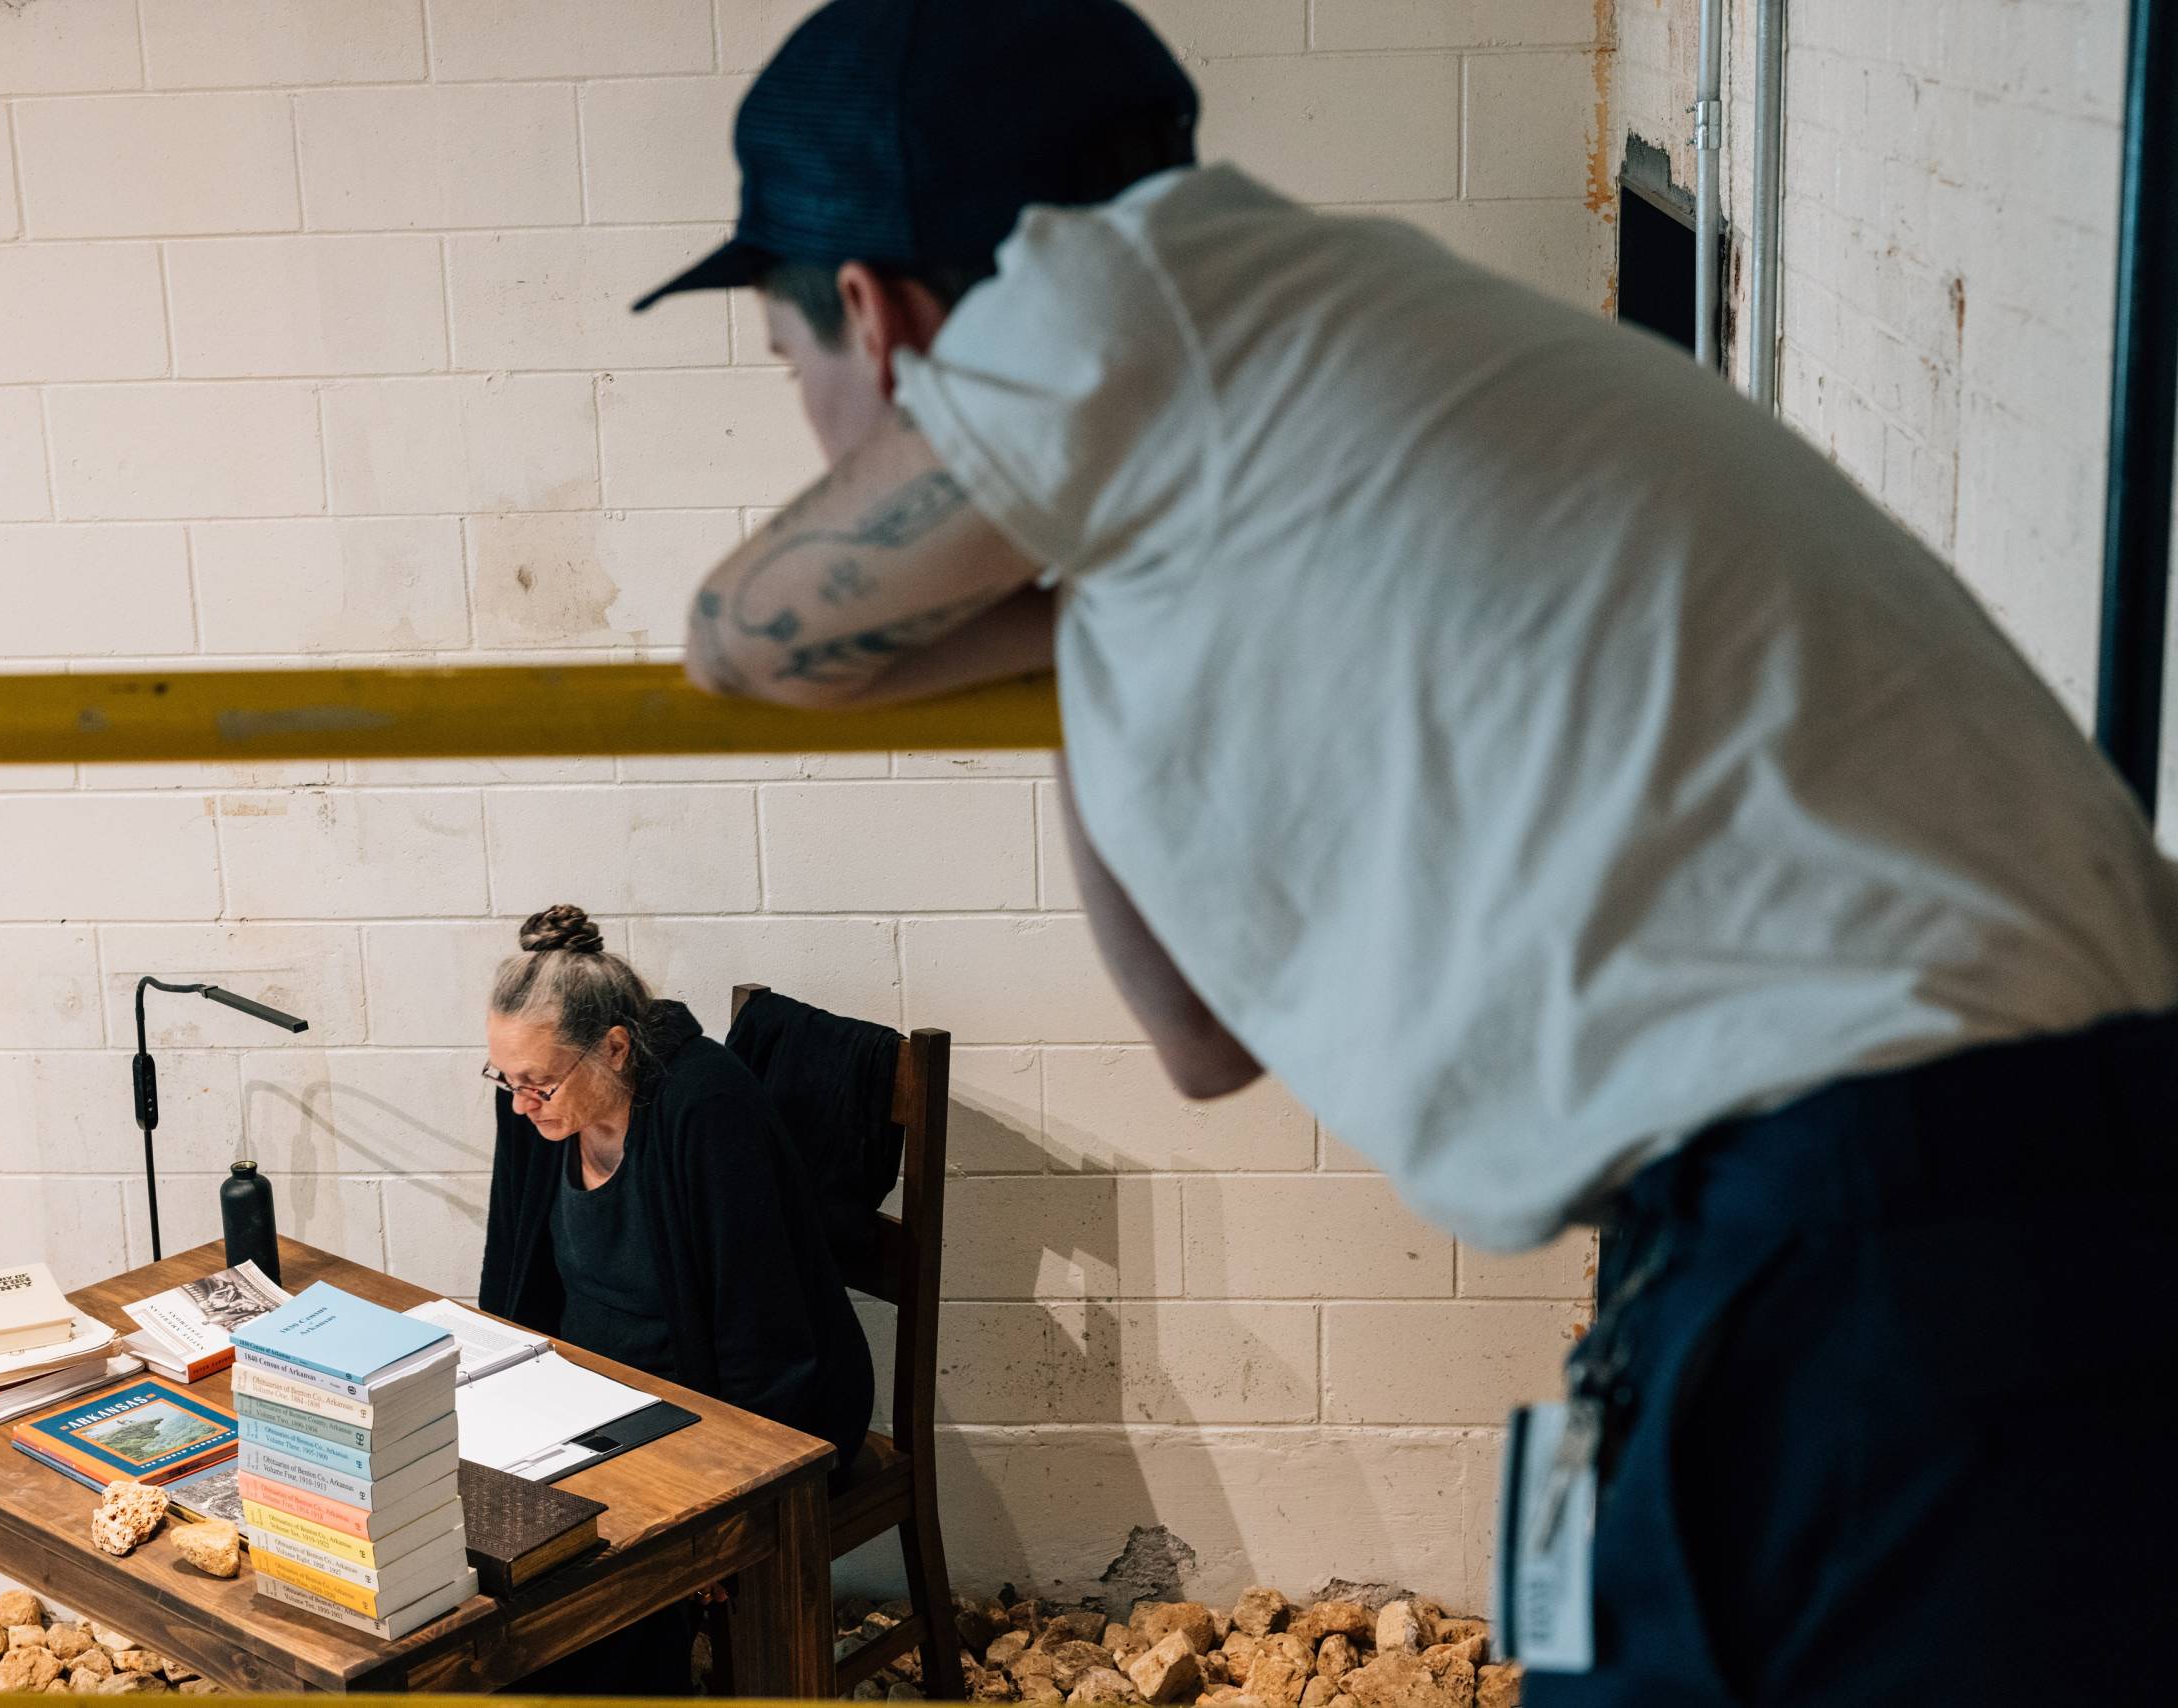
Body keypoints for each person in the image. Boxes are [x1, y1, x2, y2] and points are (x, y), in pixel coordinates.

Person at [635, 1, 2178, 1702]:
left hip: (1899, 1217)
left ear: (874, 306)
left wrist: (999, 600)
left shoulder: (1110, 295)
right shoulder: (1274, 380)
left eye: (800, 376)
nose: (817, 433)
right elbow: (1201, 1032)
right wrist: (1066, 624)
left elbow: (745, 631)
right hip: (1934, 1197)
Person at [475, 903, 873, 1694]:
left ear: (615, 1047)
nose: (523, 1102)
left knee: (594, 1576)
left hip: (721, 1407)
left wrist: (730, 1507)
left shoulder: (707, 1111)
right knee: (475, 1545)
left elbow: (769, 1337)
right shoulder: (534, 1113)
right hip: (585, 1398)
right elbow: (511, 1277)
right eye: (506, 1078)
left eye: (540, 1082)